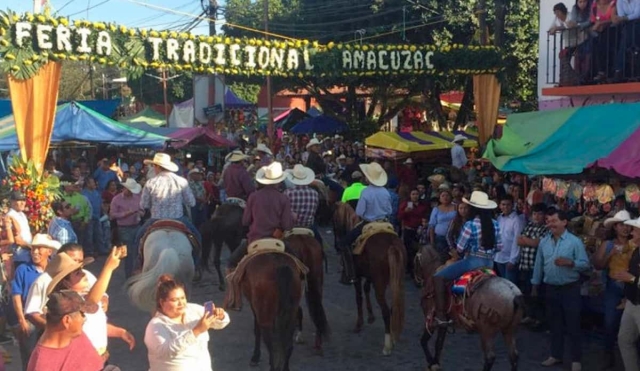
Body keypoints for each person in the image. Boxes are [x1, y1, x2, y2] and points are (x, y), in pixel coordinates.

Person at [47, 247, 133, 362]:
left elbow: (93, 326)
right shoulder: (68, 306)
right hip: (84, 361)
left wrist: (120, 332)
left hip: (99, 358)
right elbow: (90, 302)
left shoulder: (79, 298)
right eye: (78, 273)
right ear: (66, 283)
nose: (84, 274)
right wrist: (108, 268)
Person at [531, 208, 590, 371]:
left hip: (570, 288)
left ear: (564, 222)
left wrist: (571, 263)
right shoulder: (544, 241)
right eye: (548, 221)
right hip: (550, 288)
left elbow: (585, 264)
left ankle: (576, 359)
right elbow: (538, 264)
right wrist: (535, 285)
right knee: (554, 324)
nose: (550, 224)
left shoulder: (574, 242)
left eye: (554, 221)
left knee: (573, 324)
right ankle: (556, 355)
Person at [145, 275, 229, 370]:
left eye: (182, 298)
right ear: (162, 302)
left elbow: (220, 323)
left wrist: (220, 316)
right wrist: (196, 331)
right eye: (175, 300)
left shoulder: (193, 309)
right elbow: (166, 352)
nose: (181, 303)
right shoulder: (155, 326)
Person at [226, 162, 294, 270]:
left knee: (231, 263)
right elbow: (287, 226)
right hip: (277, 240)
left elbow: (245, 221)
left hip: (255, 239)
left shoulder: (253, 196)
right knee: (298, 263)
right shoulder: (283, 198)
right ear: (279, 181)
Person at [10, 234, 60, 370]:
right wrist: (21, 319)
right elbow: (16, 295)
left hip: (51, 318)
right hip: (30, 319)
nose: (35, 252)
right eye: (33, 249)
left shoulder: (56, 269)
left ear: (49, 251)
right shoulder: (23, 269)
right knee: (30, 357)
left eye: (39, 248)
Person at [135, 153, 200, 256]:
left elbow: (144, 205)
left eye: (153, 166)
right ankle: (196, 264)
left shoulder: (150, 182)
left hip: (156, 218)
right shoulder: (181, 181)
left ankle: (137, 264)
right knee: (197, 237)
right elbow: (191, 202)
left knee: (138, 237)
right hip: (178, 218)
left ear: (157, 166)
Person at [592, 210, 632, 368]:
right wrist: (611, 254)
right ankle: (608, 354)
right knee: (610, 323)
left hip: (632, 286)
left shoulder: (635, 243)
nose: (625, 228)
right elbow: (598, 266)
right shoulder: (608, 244)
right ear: (615, 227)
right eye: (622, 225)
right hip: (614, 286)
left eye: (627, 225)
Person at [26, 290, 103, 371]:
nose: (84, 319)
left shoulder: (75, 334)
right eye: (82, 314)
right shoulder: (42, 366)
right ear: (67, 320)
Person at [341, 162, 391, 285]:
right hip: (385, 222)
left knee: (344, 242)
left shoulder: (366, 192)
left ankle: (350, 273)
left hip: (369, 222)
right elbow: (390, 210)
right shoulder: (385, 191)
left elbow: (359, 212)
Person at [434, 191, 502, 281]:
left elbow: (460, 248)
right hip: (490, 264)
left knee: (439, 276)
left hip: (472, 263)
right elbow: (499, 247)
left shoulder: (470, 224)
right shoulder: (495, 223)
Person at [517, 203, 549, 328]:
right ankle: (530, 315)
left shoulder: (545, 229)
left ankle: (540, 319)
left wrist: (526, 240)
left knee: (538, 293)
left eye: (539, 214)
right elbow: (518, 240)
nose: (536, 216)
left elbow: (539, 244)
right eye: (534, 214)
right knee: (526, 292)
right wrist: (529, 241)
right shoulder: (528, 226)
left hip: (537, 266)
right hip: (524, 264)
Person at [615, 216, 640, 371]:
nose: (632, 234)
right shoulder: (637, 250)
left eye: (636, 230)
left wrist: (630, 278)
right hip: (632, 302)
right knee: (624, 339)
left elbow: (633, 277)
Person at [110, 178, 144, 278]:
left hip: (136, 225)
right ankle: (129, 275)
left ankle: (137, 272)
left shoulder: (137, 198)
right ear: (124, 188)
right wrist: (126, 213)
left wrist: (141, 213)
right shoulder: (116, 199)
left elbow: (142, 210)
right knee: (129, 252)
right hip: (124, 228)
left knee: (138, 250)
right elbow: (112, 215)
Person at [283, 165, 322, 245]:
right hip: (308, 227)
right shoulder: (314, 193)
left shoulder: (287, 192)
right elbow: (315, 210)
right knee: (320, 243)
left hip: (291, 228)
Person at [494, 195, 525, 284]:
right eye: (503, 204)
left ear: (512, 205)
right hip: (498, 257)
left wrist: (513, 260)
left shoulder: (517, 220)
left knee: (510, 285)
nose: (505, 207)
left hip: (509, 259)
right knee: (503, 285)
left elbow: (517, 241)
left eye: (508, 205)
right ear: (500, 205)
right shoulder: (499, 218)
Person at [398, 188, 428, 275]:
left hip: (420, 231)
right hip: (409, 230)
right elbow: (399, 217)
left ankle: (418, 268)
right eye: (413, 194)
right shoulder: (406, 204)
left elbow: (426, 215)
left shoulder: (423, 205)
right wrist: (405, 212)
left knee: (419, 250)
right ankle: (409, 268)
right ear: (410, 195)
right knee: (408, 250)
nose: (415, 196)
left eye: (416, 194)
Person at [7, 191, 32, 268]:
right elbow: (16, 239)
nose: (22, 203)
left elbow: (28, 233)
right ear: (12, 202)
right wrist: (32, 247)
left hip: (28, 254)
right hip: (19, 256)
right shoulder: (10, 216)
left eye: (23, 200)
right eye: (19, 200)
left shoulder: (22, 214)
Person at [429, 190, 458, 257]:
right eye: (443, 196)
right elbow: (432, 225)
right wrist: (432, 241)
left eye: (447, 195)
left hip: (454, 237)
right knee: (441, 257)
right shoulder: (436, 209)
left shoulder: (456, 207)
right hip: (440, 238)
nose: (445, 197)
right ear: (439, 198)